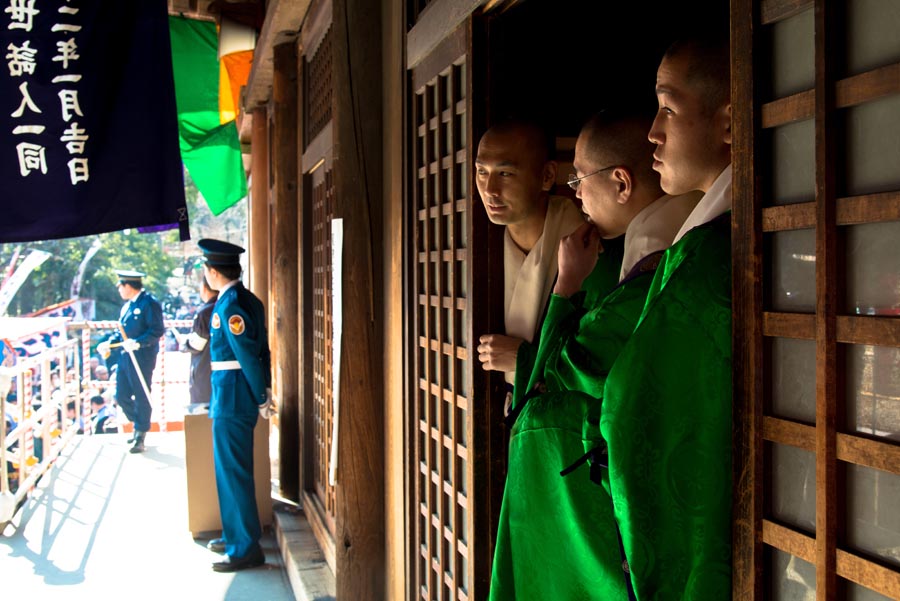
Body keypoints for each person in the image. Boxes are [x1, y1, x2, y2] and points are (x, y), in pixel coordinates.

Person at [488, 110, 701, 600]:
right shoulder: (640, 251)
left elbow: (557, 383)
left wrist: (564, 288)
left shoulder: (654, 266)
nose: (575, 193)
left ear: (621, 184)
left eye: (579, 179)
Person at [600, 33, 733, 599]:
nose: (652, 132)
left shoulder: (709, 258)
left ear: (730, 122)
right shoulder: (702, 239)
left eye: (667, 108)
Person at [474, 119, 620, 409]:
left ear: (547, 175)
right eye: (481, 172)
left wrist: (524, 360)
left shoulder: (592, 254)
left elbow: (604, 373)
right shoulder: (480, 253)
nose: (489, 189)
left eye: (505, 173)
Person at [198, 238, 274, 573]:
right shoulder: (247, 300)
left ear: (213, 272)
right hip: (236, 394)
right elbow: (263, 352)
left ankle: (244, 547)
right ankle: (237, 535)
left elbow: (246, 355)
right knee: (232, 470)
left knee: (233, 472)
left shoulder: (229, 305)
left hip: (232, 397)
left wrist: (260, 395)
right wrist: (263, 389)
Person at [97, 270, 165, 454]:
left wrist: (139, 342)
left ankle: (141, 434)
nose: (119, 289)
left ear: (128, 286)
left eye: (121, 286)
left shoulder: (149, 304)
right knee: (121, 395)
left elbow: (157, 329)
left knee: (142, 394)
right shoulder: (127, 306)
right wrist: (109, 344)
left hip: (142, 356)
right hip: (125, 356)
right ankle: (139, 424)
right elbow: (121, 332)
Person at [180, 275, 219, 413]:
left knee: (203, 415)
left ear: (204, 288)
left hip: (205, 369)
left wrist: (184, 343)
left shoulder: (205, 312)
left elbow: (197, 344)